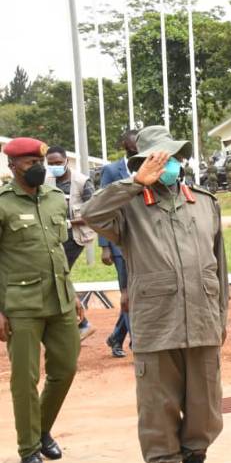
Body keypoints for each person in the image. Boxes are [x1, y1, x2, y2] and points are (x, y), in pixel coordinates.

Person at [81, 125, 228, 463]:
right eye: (158, 158)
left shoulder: (205, 202)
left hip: (202, 321)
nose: (169, 164)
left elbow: (219, 267)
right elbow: (89, 213)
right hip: (156, 323)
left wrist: (220, 321)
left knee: (204, 405)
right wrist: (133, 183)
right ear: (143, 162)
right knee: (157, 407)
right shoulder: (127, 207)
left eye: (173, 156)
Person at [1, 137, 83, 463]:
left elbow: (57, 250)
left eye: (40, 161)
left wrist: (74, 292)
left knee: (65, 368)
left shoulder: (53, 199)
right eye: (29, 163)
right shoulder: (3, 204)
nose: (37, 167)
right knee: (25, 379)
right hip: (20, 304)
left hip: (60, 298)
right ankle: (29, 451)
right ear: (12, 167)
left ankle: (41, 429)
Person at [45, 146, 97, 341]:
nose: (54, 167)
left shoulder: (82, 182)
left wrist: (68, 223)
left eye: (58, 163)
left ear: (66, 160)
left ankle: (82, 324)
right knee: (58, 275)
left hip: (75, 237)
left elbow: (93, 213)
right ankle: (78, 323)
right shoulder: (46, 180)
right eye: (50, 164)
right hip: (53, 236)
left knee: (58, 274)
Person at [100, 129, 136, 358]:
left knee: (136, 293)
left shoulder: (147, 167)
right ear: (125, 145)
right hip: (119, 243)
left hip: (142, 242)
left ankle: (116, 337)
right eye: (134, 147)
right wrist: (105, 246)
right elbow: (103, 208)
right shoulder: (112, 170)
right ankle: (138, 343)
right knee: (128, 294)